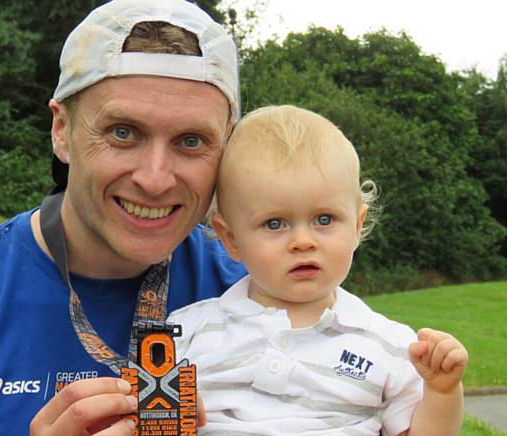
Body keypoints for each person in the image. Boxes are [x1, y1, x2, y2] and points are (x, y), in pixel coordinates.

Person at [0, 1, 247, 434]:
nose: (155, 179)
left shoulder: (267, 298)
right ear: (61, 131)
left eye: (191, 140)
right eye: (123, 132)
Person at [168, 105, 469, 435]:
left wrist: (441, 392)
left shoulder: (392, 346)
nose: (302, 241)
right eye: (274, 224)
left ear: (357, 225)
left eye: (324, 220)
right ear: (231, 240)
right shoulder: (185, 334)